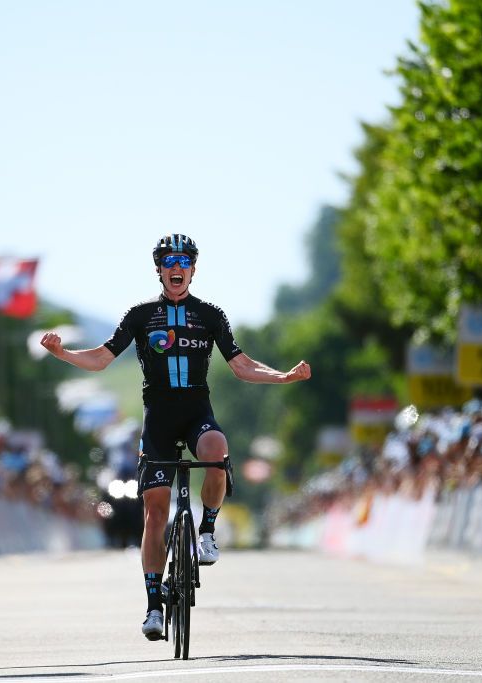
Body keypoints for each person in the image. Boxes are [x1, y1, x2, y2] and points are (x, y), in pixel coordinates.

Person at [40, 233, 311, 640]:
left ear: (193, 269)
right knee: (155, 510)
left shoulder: (210, 315)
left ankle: (207, 532)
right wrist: (63, 354)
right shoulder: (141, 315)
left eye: (184, 261)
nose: (176, 267)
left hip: (196, 413)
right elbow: (101, 357)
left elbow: (241, 365)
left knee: (217, 451)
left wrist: (283, 376)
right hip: (159, 420)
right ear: (159, 270)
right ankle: (152, 606)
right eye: (169, 261)